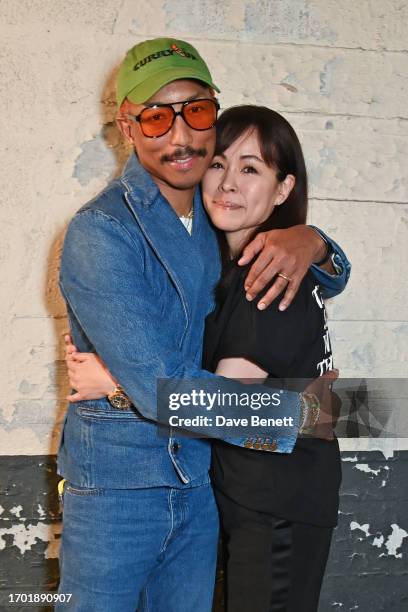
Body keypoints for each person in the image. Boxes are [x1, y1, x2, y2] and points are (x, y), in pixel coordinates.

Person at [58, 37, 350, 611]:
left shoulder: (218, 230)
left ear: (212, 111)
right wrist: (315, 411)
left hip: (202, 486)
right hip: (123, 491)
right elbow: (164, 385)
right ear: (127, 125)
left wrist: (313, 240)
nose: (180, 136)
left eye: (194, 112)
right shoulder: (104, 233)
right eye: (156, 117)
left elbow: (323, 276)